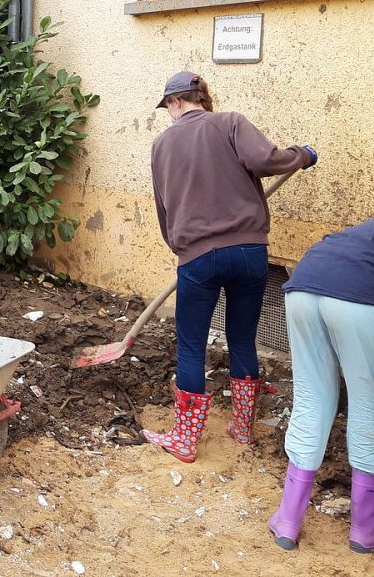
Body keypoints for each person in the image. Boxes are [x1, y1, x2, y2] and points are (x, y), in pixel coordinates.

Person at [143, 72, 315, 463]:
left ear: (175, 101)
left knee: (191, 345)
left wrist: (181, 247)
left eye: (167, 106)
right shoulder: (231, 122)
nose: (168, 113)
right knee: (242, 339)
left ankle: (186, 439)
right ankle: (242, 428)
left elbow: (163, 206)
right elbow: (266, 160)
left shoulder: (162, 144)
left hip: (198, 258)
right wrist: (302, 155)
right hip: (250, 252)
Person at [267, 211, 374, 554]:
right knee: (368, 409)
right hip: (361, 299)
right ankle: (365, 530)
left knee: (311, 400)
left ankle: (287, 520)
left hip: (304, 286)